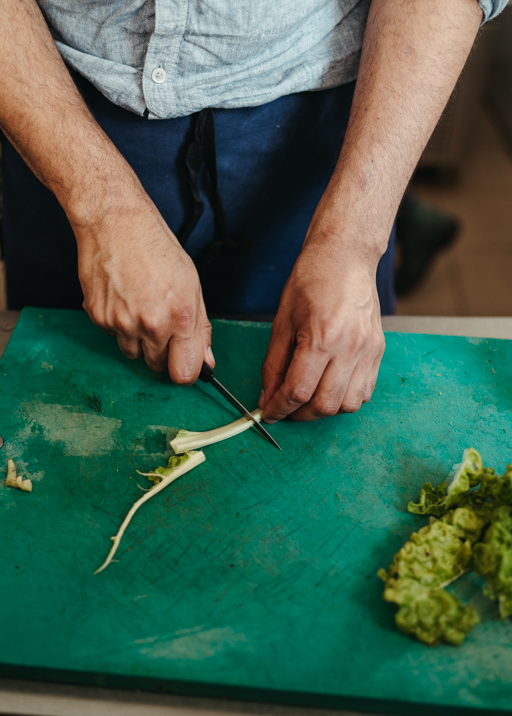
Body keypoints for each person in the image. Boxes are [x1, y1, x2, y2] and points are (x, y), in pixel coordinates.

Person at [0, 0, 504, 425]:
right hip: (57, 111)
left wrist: (353, 243)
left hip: (326, 137)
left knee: (327, 367)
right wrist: (101, 207)